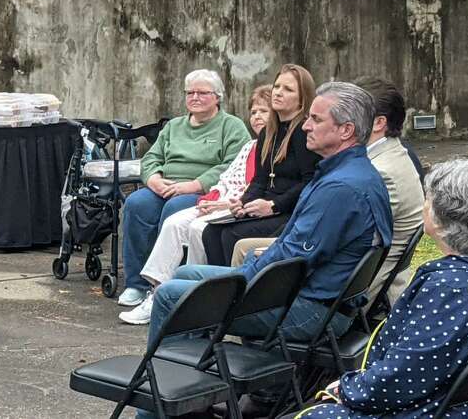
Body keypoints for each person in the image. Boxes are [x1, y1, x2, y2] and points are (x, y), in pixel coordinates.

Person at [142, 82, 392, 419]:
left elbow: (291, 258)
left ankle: (161, 406)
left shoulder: (340, 188)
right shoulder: (352, 173)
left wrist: (240, 278)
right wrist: (250, 265)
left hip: (310, 308)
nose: (305, 126)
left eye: (315, 119)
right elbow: (295, 250)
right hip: (318, 297)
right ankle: (193, 397)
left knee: (172, 294)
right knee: (186, 273)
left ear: (346, 130)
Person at [285, 158, 468, 418]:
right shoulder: (463, 277)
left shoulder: (452, 286)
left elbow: (410, 371)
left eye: (428, 200)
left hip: (426, 408)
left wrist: (348, 389)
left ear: (440, 215)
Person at [230, 78, 424, 308]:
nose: (306, 126)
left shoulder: (375, 171)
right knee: (242, 249)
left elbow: (331, 243)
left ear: (378, 122)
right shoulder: (378, 159)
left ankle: (228, 320)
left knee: (243, 254)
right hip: (340, 275)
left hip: (348, 290)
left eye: (317, 118)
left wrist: (275, 250)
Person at [118, 85, 271, 325]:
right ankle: (143, 287)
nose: (195, 97)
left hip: (200, 189)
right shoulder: (174, 126)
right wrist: (153, 179)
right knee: (137, 203)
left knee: (176, 213)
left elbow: (228, 170)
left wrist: (196, 187)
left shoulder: (231, 127)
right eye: (190, 92)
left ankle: (184, 295)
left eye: (202, 93)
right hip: (173, 187)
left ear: (217, 97)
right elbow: (152, 158)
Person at [200, 64, 320, 265]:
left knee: (233, 235)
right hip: (264, 206)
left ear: (302, 99)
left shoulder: (303, 132)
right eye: (277, 86)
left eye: (288, 89)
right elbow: (260, 179)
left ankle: (240, 290)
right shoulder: (268, 132)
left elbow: (311, 181)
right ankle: (220, 289)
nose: (279, 93)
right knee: (210, 232)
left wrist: (273, 206)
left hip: (290, 211)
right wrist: (244, 202)